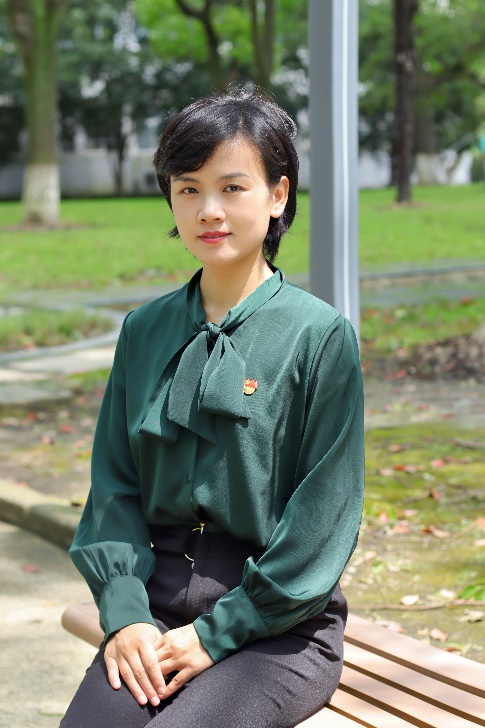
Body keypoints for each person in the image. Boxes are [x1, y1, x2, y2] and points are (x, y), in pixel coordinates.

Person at [61, 88, 365, 728]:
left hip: (277, 622)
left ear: (277, 195)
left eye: (232, 187)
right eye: (189, 189)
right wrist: (125, 615)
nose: (209, 210)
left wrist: (217, 632)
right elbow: (114, 487)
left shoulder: (319, 337)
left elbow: (323, 520)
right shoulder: (143, 330)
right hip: (155, 603)